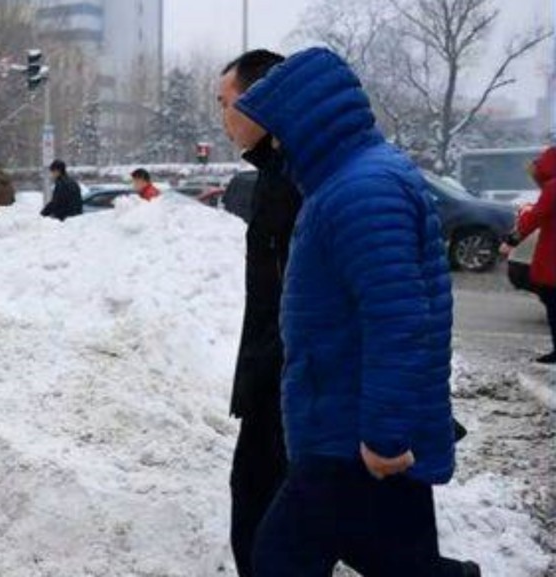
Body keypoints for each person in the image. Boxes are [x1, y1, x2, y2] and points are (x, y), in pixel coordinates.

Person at [228, 48, 479, 576]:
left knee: (278, 557)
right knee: (398, 561)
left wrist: (386, 434)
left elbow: (399, 318)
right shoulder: (346, 181)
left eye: (275, 127)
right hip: (346, 419)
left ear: (303, 119)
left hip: (351, 431)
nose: (272, 141)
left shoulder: (362, 190)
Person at [216, 49, 300, 577]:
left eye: (226, 103)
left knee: (263, 523)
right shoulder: (276, 175)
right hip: (275, 379)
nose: (221, 117)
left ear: (260, 101)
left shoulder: (295, 181)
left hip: (289, 383)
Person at [501, 146, 556, 364]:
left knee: (553, 303)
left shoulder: (553, 188)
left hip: (553, 258)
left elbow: (534, 217)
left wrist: (511, 241)